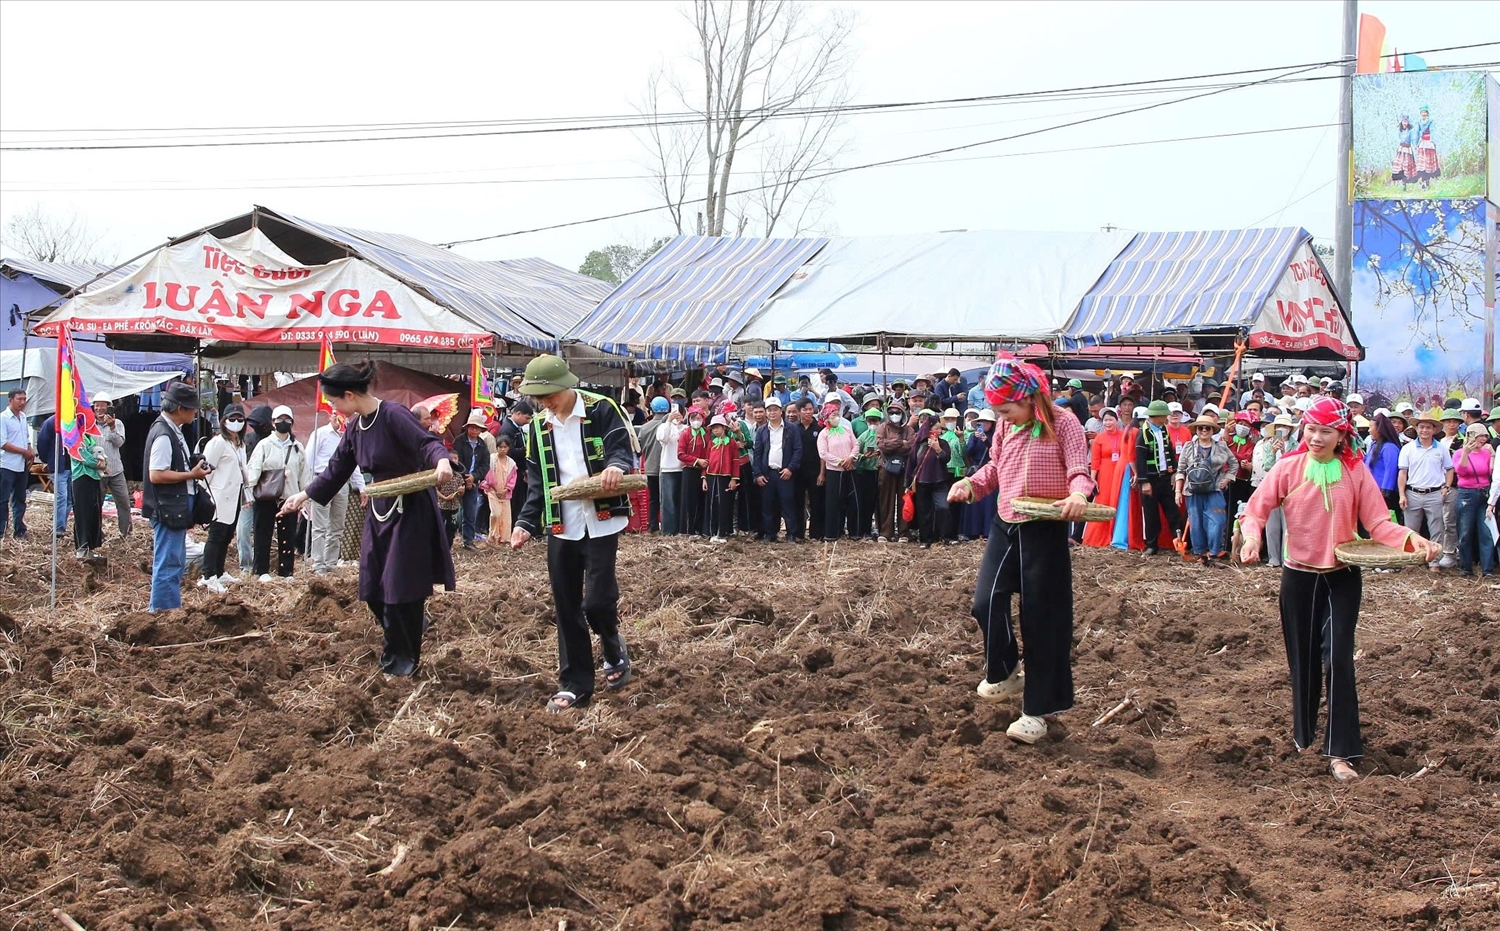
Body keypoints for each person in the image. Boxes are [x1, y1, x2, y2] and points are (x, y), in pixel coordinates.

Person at [1240, 398, 1440, 781]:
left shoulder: (1355, 472)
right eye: (1311, 429)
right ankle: (1304, 737)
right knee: (1302, 660)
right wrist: (1252, 539)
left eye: (1325, 431)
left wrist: (1414, 540)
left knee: (1339, 660)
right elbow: (1256, 509)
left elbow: (1379, 524)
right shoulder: (1287, 467)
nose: (1316, 437)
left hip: (1342, 578)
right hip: (1298, 578)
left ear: (1341, 434)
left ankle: (1340, 753)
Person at [949, 355, 1091, 745]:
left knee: (1043, 620)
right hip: (1006, 522)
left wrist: (1078, 492)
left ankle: (1036, 713)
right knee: (985, 601)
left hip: (1044, 526)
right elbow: (994, 469)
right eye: (998, 412)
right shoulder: (1004, 429)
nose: (1003, 418)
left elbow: (1080, 468)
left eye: (1007, 409)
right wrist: (970, 485)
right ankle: (1006, 669)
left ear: (1030, 399)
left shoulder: (1064, 424)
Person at [280, 362, 456, 676]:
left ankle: (401, 661)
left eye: (334, 401)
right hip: (379, 510)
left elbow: (426, 443)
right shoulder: (355, 428)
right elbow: (336, 470)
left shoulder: (393, 415)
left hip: (409, 508)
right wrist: (303, 495)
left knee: (401, 586)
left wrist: (441, 461)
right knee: (373, 585)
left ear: (349, 395)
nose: (333, 407)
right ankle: (408, 630)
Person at [509, 355, 638, 713]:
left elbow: (619, 450)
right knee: (566, 605)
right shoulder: (538, 426)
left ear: (567, 385)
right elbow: (538, 484)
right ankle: (575, 682)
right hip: (561, 523)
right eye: (539, 397)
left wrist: (614, 468)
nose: (545, 402)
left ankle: (612, 647)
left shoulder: (601, 409)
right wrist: (524, 523)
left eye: (549, 394)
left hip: (602, 517)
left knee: (597, 601)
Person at [143, 384, 210, 613]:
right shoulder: (164, 433)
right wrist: (191, 474)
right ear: (180, 408)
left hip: (174, 506)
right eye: (192, 409)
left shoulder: (172, 430)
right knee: (169, 563)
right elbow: (157, 474)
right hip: (168, 507)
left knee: (175, 561)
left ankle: (168, 609)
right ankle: (163, 612)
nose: (195, 413)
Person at [246, 405, 308, 581]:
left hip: (289, 496)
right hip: (266, 495)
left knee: (287, 534)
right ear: (273, 423)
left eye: (287, 419)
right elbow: (254, 469)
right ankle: (261, 570)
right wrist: (248, 493)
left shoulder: (297, 447)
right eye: (279, 419)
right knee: (262, 533)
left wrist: (305, 496)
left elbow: (304, 472)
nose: (283, 422)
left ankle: (286, 571)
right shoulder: (264, 445)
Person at [1397, 409, 1454, 573]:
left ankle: (1434, 561)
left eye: (1428, 427)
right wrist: (1402, 494)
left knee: (1436, 529)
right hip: (1412, 492)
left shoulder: (1441, 449)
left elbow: (1450, 469)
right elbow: (1402, 473)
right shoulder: (1408, 449)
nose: (1424, 430)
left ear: (1434, 430)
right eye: (1421, 427)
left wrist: (1446, 487)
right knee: (1411, 530)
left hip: (1435, 493)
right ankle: (1412, 560)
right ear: (1416, 428)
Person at [200, 403, 250, 591]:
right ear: (223, 421)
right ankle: (208, 574)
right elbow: (205, 471)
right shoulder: (218, 443)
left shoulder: (239, 444)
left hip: (235, 496)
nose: (236, 423)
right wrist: (207, 496)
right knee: (216, 535)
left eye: (240, 419)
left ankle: (219, 572)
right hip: (219, 496)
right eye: (232, 419)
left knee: (227, 534)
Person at [307, 412, 363, 574]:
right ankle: (318, 562)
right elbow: (308, 460)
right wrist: (308, 487)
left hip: (342, 483)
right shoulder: (320, 434)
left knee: (337, 526)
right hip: (321, 480)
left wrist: (361, 486)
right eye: (335, 415)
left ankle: (331, 562)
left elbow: (353, 463)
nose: (338, 418)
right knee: (320, 526)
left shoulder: (348, 436)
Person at [1174, 415, 1235, 565]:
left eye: (1207, 428)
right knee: (1196, 522)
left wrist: (1227, 478)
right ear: (1196, 430)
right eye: (1200, 428)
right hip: (1193, 491)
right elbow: (1180, 469)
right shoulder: (1189, 447)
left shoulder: (1221, 446)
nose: (1204, 430)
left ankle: (1214, 553)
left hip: (1214, 489)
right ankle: (1201, 554)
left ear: (1212, 430)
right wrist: (1178, 491)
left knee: (1217, 521)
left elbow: (1234, 464)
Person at [1136, 399, 1185, 555]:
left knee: (1173, 511)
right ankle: (1152, 545)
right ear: (1158, 416)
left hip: (1165, 477)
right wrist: (1144, 482)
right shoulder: (1143, 432)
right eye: (1165, 416)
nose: (1166, 418)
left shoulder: (1163, 429)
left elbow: (1170, 451)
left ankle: (1179, 542)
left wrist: (1174, 471)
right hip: (1150, 479)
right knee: (1151, 515)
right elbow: (1140, 459)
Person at [753, 396, 802, 543]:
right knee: (768, 505)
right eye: (770, 410)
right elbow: (758, 453)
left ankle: (791, 534)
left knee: (788, 504)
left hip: (785, 473)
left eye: (775, 410)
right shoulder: (762, 430)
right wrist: (758, 473)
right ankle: (770, 533)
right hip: (768, 473)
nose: (772, 413)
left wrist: (790, 468)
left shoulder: (791, 428)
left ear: (781, 411)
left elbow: (798, 450)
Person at [1252, 413, 1296, 567]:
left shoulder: (1295, 446)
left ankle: (1286, 559)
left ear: (1290, 429)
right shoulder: (1267, 445)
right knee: (1272, 526)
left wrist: (1284, 453)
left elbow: (1295, 466)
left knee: (1288, 527)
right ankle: (1273, 558)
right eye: (1279, 427)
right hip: (1271, 487)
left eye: (1285, 427)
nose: (1282, 429)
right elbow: (1267, 466)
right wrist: (1272, 452)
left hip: (1290, 489)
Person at [1451, 423, 1495, 577]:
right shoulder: (1458, 453)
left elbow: (1491, 471)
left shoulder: (1486, 452)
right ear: (1471, 436)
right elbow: (1460, 472)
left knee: (1486, 532)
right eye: (1480, 436)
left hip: (1483, 493)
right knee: (1465, 532)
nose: (1483, 439)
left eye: (1485, 436)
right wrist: (1465, 452)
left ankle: (1487, 569)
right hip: (1466, 494)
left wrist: (1493, 454)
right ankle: (1466, 567)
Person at [906, 410, 953, 549]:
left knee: (942, 507)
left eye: (940, 428)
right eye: (936, 428)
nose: (939, 430)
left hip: (940, 482)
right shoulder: (919, 445)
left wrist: (938, 449)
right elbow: (911, 464)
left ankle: (940, 535)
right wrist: (907, 483)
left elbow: (946, 459)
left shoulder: (943, 443)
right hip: (922, 483)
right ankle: (925, 539)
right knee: (924, 512)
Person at [1083, 409, 1128, 548]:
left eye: (1110, 420)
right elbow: (1095, 461)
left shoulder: (1123, 435)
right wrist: (1093, 479)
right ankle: (1099, 537)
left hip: (1120, 472)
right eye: (1105, 420)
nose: (1108, 423)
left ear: (1117, 421)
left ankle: (1118, 535)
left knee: (1119, 501)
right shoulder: (1099, 439)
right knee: (1104, 501)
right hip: (1105, 474)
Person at [817, 393, 859, 540]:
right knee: (834, 503)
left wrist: (851, 458)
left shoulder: (846, 430)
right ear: (827, 417)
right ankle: (832, 533)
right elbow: (823, 453)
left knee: (852, 501)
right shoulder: (824, 434)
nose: (836, 417)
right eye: (833, 414)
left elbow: (856, 445)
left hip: (850, 469)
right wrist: (841, 462)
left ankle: (854, 532)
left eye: (837, 414)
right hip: (834, 471)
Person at [238, 405, 273, 573]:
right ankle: (246, 565)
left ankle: (260, 566)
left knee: (262, 532)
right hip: (248, 491)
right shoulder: (247, 440)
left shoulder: (274, 442)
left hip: (267, 491)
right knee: (243, 530)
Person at [91, 397, 132, 540]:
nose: (99, 409)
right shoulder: (90, 425)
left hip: (116, 470)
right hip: (98, 472)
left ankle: (126, 533)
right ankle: (96, 533)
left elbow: (119, 443)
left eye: (102, 406)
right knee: (97, 504)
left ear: (109, 408)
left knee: (124, 502)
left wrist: (112, 427)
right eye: (96, 406)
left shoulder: (118, 424)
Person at [874, 402, 913, 543]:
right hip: (886, 467)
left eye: (898, 412)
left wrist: (892, 444)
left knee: (904, 500)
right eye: (891, 412)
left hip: (903, 467)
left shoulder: (908, 429)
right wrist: (899, 442)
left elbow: (910, 446)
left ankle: (903, 532)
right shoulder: (882, 428)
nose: (894, 415)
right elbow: (882, 446)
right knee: (886, 500)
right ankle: (885, 532)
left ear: (903, 413)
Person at [454, 411, 491, 549]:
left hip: (473, 481)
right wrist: (465, 478)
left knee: (470, 512)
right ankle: (448, 538)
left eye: (477, 428)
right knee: (450, 511)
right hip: (457, 480)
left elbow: (485, 465)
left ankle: (468, 541)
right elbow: (457, 461)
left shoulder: (482, 445)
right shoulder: (459, 441)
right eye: (472, 427)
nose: (474, 430)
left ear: (481, 430)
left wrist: (474, 477)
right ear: (467, 427)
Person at [1, 389, 35, 539]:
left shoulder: (23, 417)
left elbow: (26, 437)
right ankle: (2, 530)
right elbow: (3, 443)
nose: (22, 402)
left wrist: (30, 450)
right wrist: (24, 452)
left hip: (21, 465)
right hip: (7, 465)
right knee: (3, 499)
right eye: (19, 399)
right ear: (10, 401)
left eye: (24, 399)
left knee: (20, 498)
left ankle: (19, 529)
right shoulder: (3, 418)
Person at [703, 415, 738, 544]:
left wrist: (734, 479)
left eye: (718, 428)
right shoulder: (712, 443)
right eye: (713, 428)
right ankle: (712, 532)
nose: (715, 431)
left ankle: (723, 532)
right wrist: (704, 478)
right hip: (712, 476)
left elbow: (735, 461)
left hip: (725, 477)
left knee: (724, 504)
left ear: (724, 428)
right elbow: (706, 461)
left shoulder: (731, 442)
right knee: (712, 504)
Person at [677, 405, 711, 537]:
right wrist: (697, 460)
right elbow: (680, 454)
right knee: (688, 500)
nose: (696, 420)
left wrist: (704, 467)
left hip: (704, 469)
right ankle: (686, 529)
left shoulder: (707, 433)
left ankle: (700, 528)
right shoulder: (685, 434)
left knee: (702, 499)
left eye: (699, 418)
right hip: (689, 469)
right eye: (693, 418)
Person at [638, 396, 670, 533]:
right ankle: (667, 525)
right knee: (668, 498)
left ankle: (652, 526)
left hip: (650, 467)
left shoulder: (644, 428)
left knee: (653, 499)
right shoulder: (669, 425)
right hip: (667, 467)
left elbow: (639, 448)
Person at [794, 400, 824, 540]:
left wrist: (821, 473)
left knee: (816, 503)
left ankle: (815, 534)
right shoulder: (793, 429)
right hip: (797, 472)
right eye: (805, 409)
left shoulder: (819, 429)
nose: (808, 412)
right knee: (798, 503)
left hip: (815, 472)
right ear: (799, 411)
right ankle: (799, 533)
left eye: (811, 409)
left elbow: (822, 454)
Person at [1365, 413, 1404, 514]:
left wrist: (1385, 493)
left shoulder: (1389, 447)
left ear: (1379, 429)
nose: (1369, 430)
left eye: (1371, 427)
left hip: (1384, 494)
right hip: (1372, 491)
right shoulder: (1374, 444)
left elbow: (1391, 471)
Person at [1413, 105, 1440, 190]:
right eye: (1422, 112)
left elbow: (1433, 131)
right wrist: (1416, 144)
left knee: (1428, 164)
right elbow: (1416, 133)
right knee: (1422, 165)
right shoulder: (1418, 122)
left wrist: (1433, 141)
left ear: (1427, 113)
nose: (1424, 114)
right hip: (1422, 144)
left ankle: (1427, 181)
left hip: (1429, 144)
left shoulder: (1431, 121)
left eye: (1425, 112)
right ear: (1420, 114)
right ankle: (1423, 182)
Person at [1391, 114, 1417, 187]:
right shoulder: (1399, 130)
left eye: (1406, 122)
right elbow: (1397, 139)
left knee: (1407, 166)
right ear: (1401, 122)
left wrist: (1415, 146)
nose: (1405, 123)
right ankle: (1402, 182)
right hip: (1401, 149)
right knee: (1400, 165)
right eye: (1403, 122)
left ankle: (1405, 182)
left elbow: (1413, 139)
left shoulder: (1411, 131)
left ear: (1408, 122)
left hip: (1408, 150)